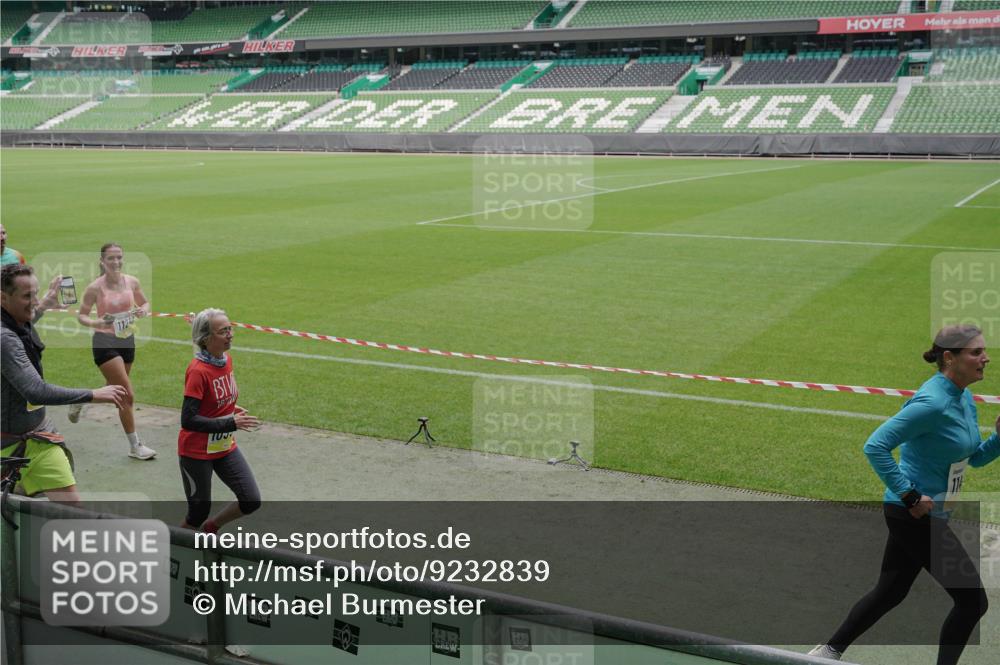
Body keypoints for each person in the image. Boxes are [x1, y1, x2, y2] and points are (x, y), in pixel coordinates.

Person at [809, 324, 1000, 664]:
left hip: (930, 513)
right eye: (976, 352)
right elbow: (876, 445)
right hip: (913, 514)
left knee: (890, 591)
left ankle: (827, 652)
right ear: (949, 358)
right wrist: (910, 495)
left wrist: (999, 437)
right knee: (973, 602)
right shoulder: (933, 403)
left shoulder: (963, 398)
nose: (985, 358)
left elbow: (973, 458)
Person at [1, 263, 127, 504]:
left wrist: (47, 302)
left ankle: (22, 490)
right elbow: (35, 391)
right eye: (27, 296)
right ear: (3, 298)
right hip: (6, 448)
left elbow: (28, 320)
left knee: (72, 508)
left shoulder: (14, 319)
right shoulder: (4, 339)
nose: (34, 301)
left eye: (36, 293)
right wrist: (93, 394)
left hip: (39, 438)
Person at [178, 308, 261, 534]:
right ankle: (171, 552)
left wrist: (230, 408)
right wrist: (230, 423)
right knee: (197, 514)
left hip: (223, 447)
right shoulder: (198, 371)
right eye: (223, 331)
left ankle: (212, 528)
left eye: (230, 328)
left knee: (251, 500)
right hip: (196, 452)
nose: (230, 334)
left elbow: (213, 400)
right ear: (207, 339)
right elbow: (188, 419)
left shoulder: (225, 360)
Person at [71, 243, 156, 460]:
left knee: (116, 391)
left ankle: (81, 398)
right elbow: (81, 315)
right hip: (104, 342)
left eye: (119, 257)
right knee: (127, 395)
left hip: (127, 339)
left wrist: (141, 311)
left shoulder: (131, 282)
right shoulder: (94, 288)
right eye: (111, 258)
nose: (116, 262)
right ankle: (135, 446)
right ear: (102, 261)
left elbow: (145, 303)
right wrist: (96, 322)